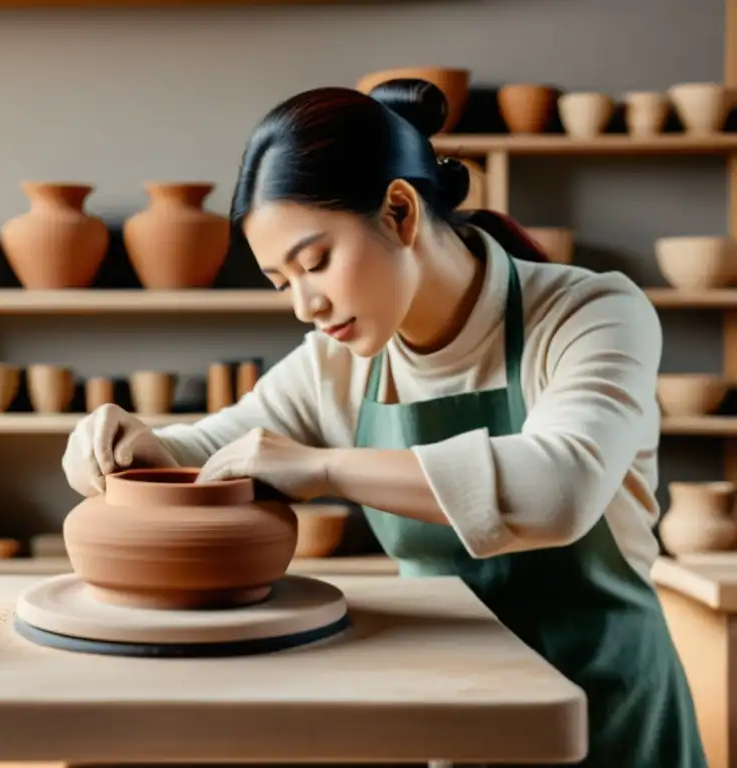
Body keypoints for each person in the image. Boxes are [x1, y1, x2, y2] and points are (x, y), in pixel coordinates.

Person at [61, 79, 706, 767]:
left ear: (399, 211)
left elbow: (561, 487)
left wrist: (323, 467)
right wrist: (114, 443)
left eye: (315, 263)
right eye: (283, 283)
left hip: (610, 724)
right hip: (450, 720)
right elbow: (207, 452)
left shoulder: (591, 314)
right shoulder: (336, 365)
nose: (305, 304)